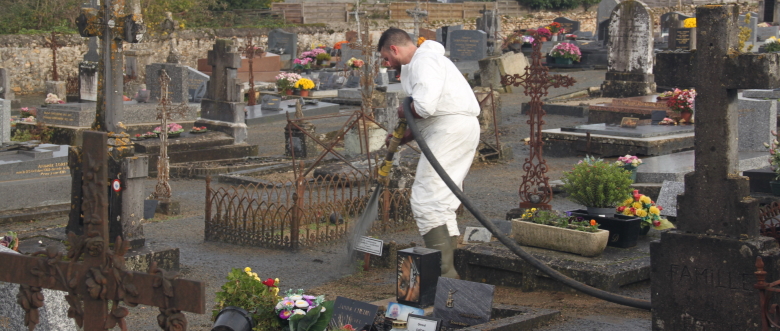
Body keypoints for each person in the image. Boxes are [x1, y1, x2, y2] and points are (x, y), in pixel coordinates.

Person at [378, 28, 480, 279]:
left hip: (450, 130)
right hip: (455, 127)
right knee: (442, 202)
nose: (385, 63)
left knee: (424, 198)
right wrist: (403, 137)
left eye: (385, 57)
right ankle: (451, 273)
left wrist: (405, 111)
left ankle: (444, 277)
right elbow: (430, 112)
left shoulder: (424, 61)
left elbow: (423, 107)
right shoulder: (424, 62)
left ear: (394, 48)